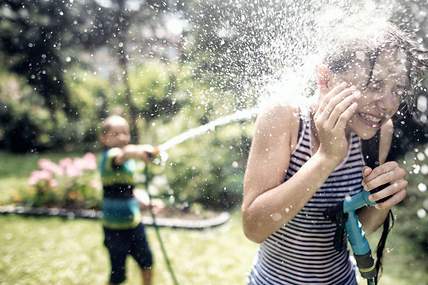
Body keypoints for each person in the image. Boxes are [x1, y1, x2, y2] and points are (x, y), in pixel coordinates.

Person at [242, 22, 428, 285]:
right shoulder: (285, 119)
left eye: (397, 90)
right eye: (374, 85)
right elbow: (254, 228)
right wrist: (326, 158)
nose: (388, 105)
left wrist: (382, 200)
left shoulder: (378, 132)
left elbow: (357, 230)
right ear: (325, 79)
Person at [99, 115, 160, 285]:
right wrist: (142, 150)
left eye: (125, 133)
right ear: (103, 138)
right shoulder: (108, 158)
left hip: (134, 224)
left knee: (147, 262)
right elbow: (122, 154)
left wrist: (146, 202)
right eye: (115, 134)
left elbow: (128, 190)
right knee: (117, 273)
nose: (122, 137)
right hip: (114, 228)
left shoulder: (128, 163)